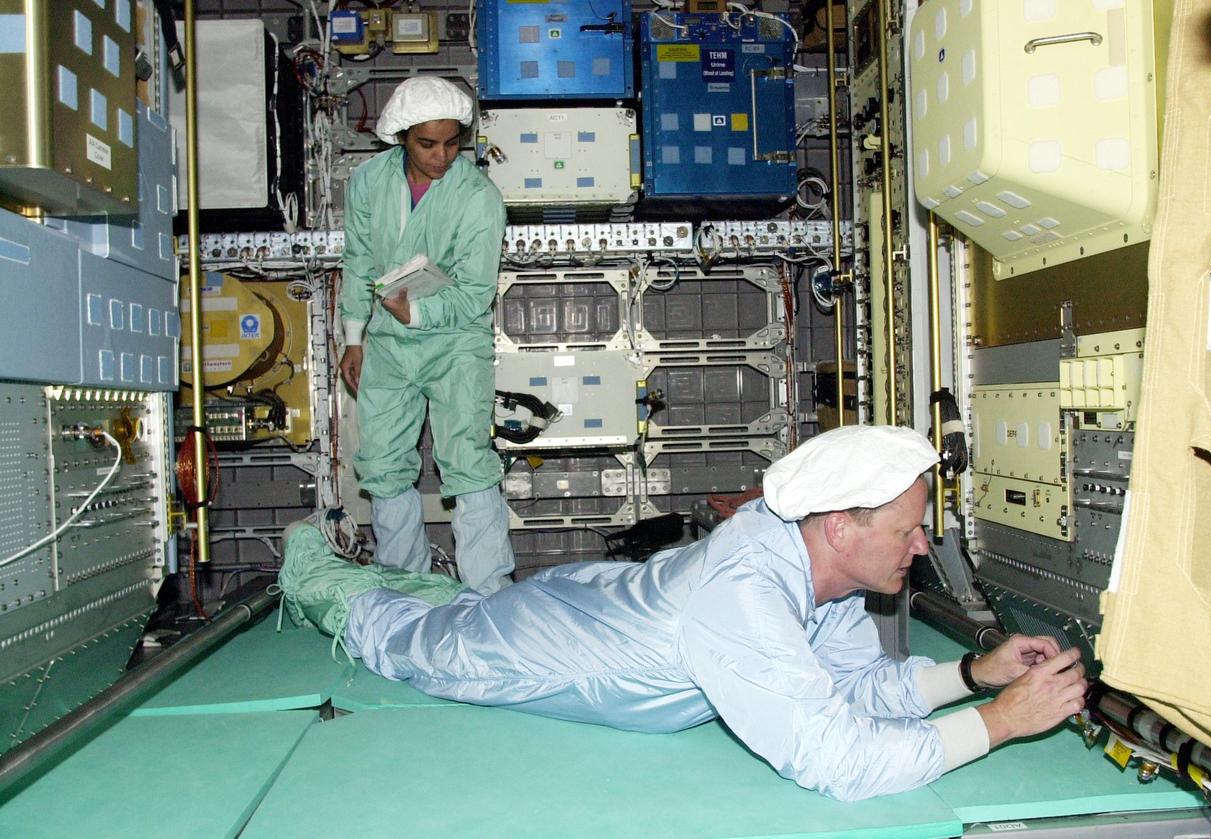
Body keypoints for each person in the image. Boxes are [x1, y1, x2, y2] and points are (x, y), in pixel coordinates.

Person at [279, 425, 1087, 802]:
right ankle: (305, 555)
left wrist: (975, 676)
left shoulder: (821, 570)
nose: (920, 547)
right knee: (407, 639)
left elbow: (855, 686)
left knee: (457, 600)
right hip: (544, 649)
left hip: (594, 600)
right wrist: (1002, 723)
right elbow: (835, 759)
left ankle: (383, 578)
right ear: (841, 527)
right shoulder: (747, 599)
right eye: (909, 530)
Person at [338, 75, 513, 595]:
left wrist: (414, 314)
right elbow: (358, 260)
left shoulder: (479, 198)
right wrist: (354, 336)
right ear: (400, 136)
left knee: (467, 460)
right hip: (387, 345)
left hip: (456, 343)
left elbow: (474, 294)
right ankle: (404, 592)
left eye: (453, 142)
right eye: (427, 143)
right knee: (384, 464)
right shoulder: (368, 181)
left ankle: (489, 595)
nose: (442, 156)